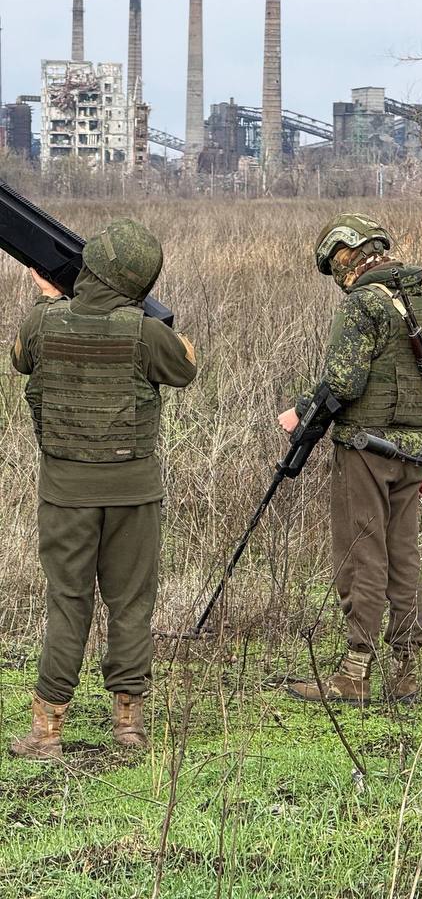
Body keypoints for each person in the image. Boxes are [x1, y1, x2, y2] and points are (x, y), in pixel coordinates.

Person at [9, 220, 198, 760]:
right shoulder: (145, 332)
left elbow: (22, 358)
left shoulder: (44, 323)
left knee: (68, 604)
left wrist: (51, 299)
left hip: (65, 493)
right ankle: (128, 726)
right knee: (131, 604)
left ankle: (47, 731)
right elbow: (185, 365)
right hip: (134, 493)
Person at [280, 214, 422, 706]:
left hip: (365, 447)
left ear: (345, 258)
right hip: (414, 450)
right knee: (405, 553)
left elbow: (344, 384)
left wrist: (300, 412)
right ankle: (407, 671)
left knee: (362, 553)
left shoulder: (363, 307)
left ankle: (354, 670)